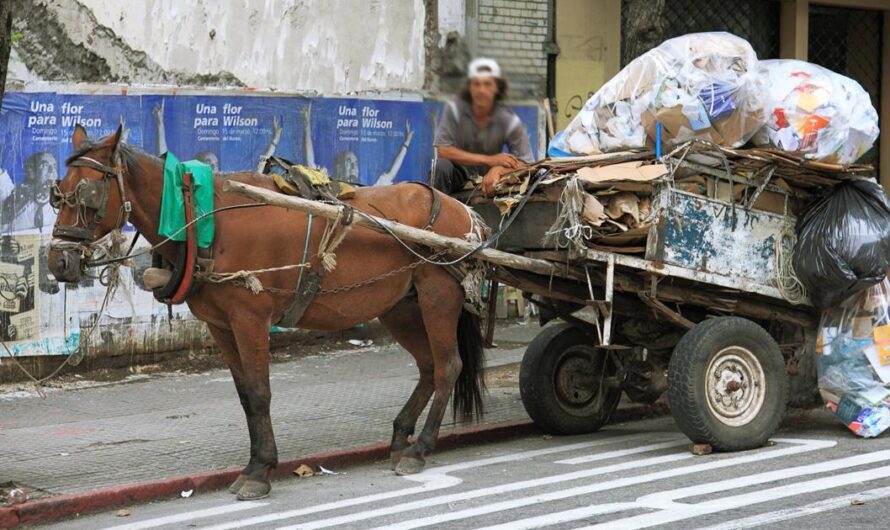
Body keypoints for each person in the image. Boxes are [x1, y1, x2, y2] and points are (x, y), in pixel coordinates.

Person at [431, 57, 533, 197]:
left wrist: (497, 170)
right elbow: (443, 150)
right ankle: (437, 215)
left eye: (487, 84)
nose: (481, 90)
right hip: (458, 175)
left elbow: (526, 163)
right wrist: (490, 159)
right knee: (440, 166)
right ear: (469, 87)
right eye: (476, 84)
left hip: (491, 180)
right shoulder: (454, 111)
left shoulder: (509, 121)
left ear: (497, 87)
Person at [0, 151, 58, 233]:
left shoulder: (59, 204)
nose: (52, 170)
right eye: (45, 165)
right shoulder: (14, 196)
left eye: (54, 166)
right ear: (31, 171)